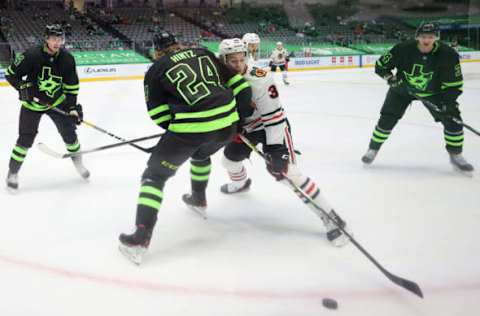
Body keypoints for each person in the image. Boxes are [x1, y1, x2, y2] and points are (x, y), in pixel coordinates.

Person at [118, 32, 252, 264]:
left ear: (157, 51)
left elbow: (158, 114)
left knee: (154, 176)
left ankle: (140, 238)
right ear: (177, 44)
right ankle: (198, 199)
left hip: (190, 131)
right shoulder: (203, 52)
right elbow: (240, 85)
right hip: (226, 127)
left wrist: (175, 136)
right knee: (201, 154)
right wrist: (237, 120)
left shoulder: (155, 69)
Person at [218, 38, 349, 247]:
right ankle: (241, 183)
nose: (239, 65)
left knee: (288, 173)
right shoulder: (218, 77)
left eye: (241, 59)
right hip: (245, 128)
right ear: (222, 60)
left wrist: (277, 150)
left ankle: (332, 218)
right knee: (229, 162)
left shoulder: (259, 78)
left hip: (271, 126)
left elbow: (274, 116)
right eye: (233, 61)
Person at [362, 22, 474, 173]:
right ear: (417, 37)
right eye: (423, 36)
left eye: (430, 36)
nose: (426, 40)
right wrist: (391, 79)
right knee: (387, 119)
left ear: (436, 37)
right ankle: (372, 149)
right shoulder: (402, 49)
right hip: (402, 90)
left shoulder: (448, 54)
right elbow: (381, 66)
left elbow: (453, 83)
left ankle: (456, 155)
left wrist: (449, 104)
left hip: (434, 93)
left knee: (453, 120)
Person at [4, 24, 87, 192]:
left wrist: (71, 107)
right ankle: (12, 173)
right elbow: (11, 74)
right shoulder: (31, 55)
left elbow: (72, 87)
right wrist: (23, 88)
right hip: (33, 104)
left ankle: (79, 164)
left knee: (70, 135)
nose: (57, 43)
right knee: (25, 139)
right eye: (54, 39)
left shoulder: (67, 59)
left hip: (57, 102)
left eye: (60, 39)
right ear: (46, 39)